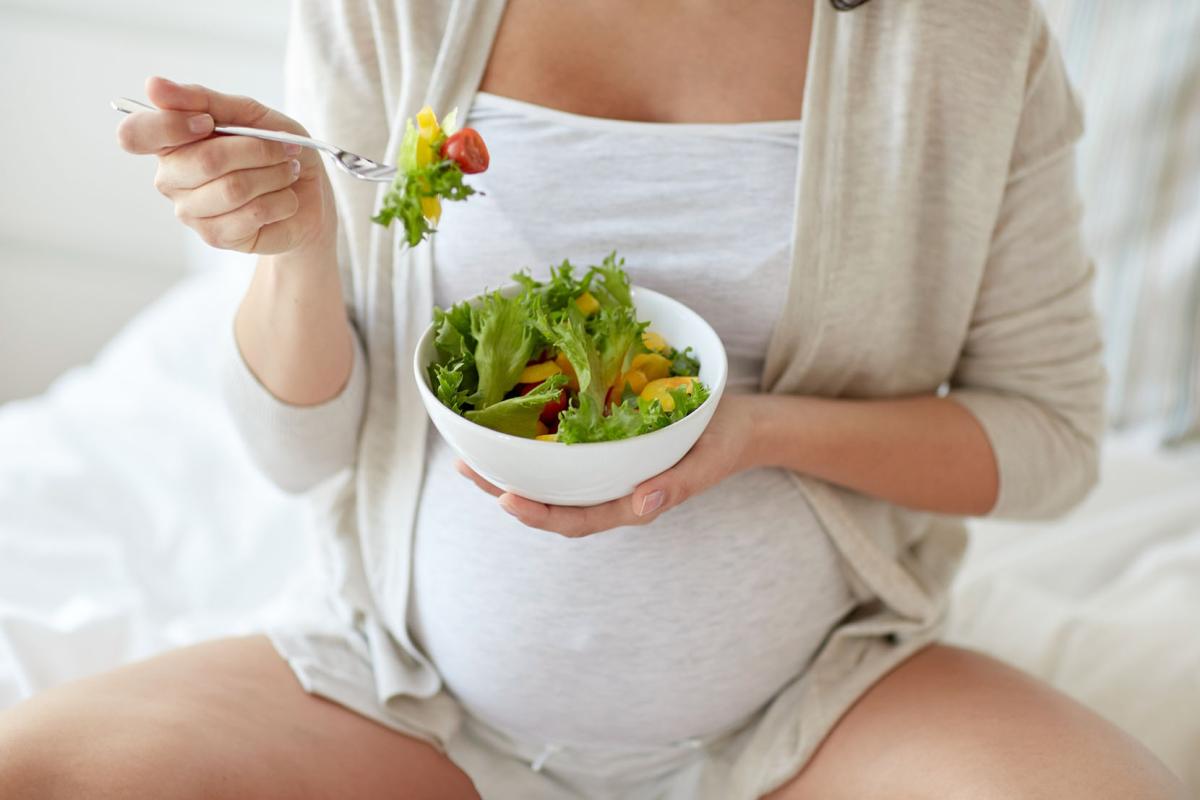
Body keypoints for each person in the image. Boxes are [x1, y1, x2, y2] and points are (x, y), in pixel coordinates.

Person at [0, 1, 1187, 798]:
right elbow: (297, 451)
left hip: (821, 709)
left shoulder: (964, 40)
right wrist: (299, 246)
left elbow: (1049, 439)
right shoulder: (398, 15)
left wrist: (756, 433)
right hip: (408, 696)